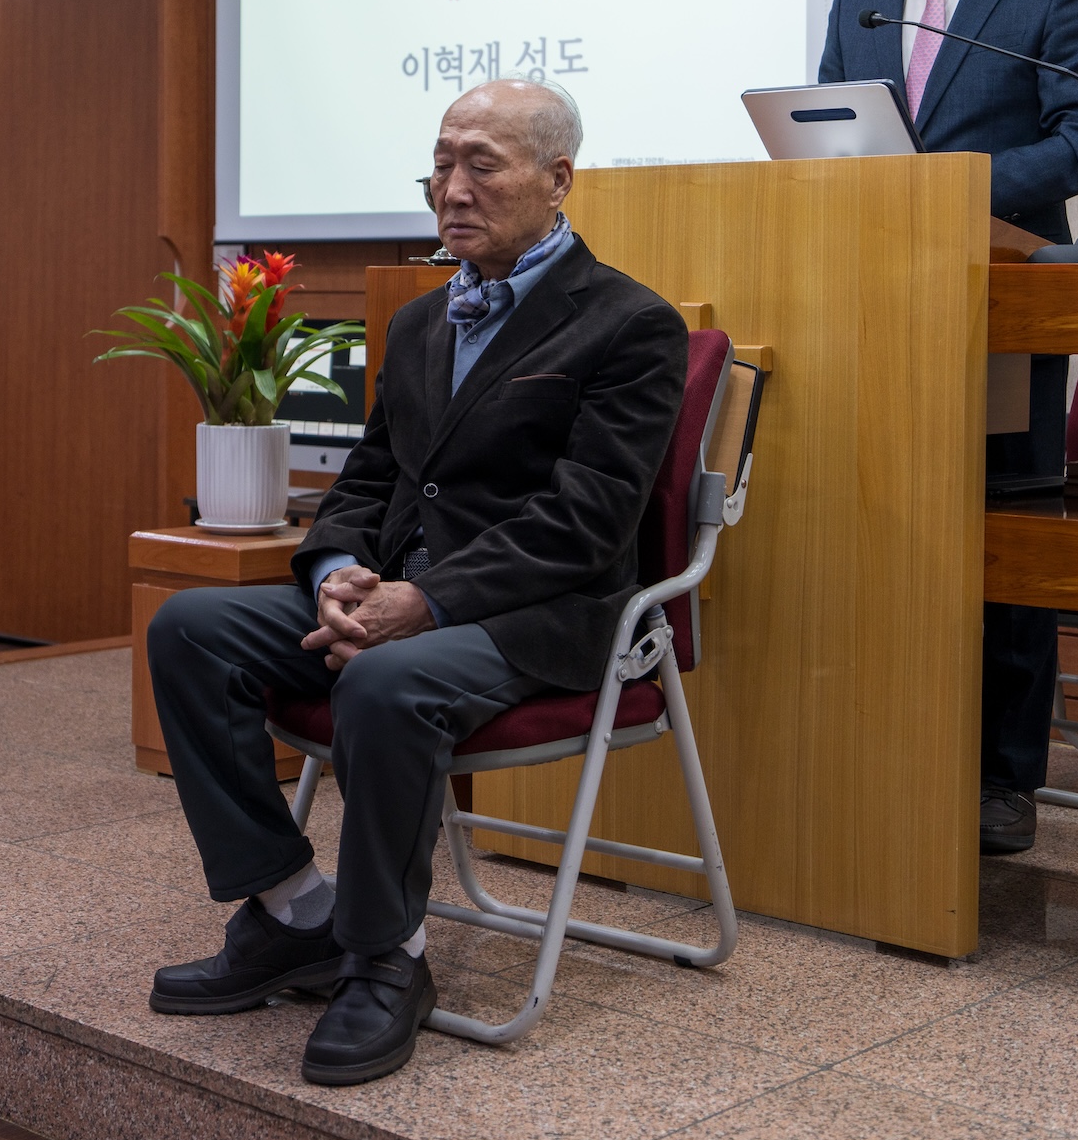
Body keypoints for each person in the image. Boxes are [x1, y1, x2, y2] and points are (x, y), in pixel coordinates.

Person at [145, 78, 686, 1086]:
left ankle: (388, 957)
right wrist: (337, 571)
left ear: (558, 179)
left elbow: (586, 521)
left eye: (483, 164)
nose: (453, 188)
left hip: (536, 615)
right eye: (441, 164)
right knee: (189, 628)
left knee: (384, 681)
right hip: (400, 589)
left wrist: (424, 603)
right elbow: (369, 478)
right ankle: (293, 911)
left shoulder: (629, 323)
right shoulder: (420, 321)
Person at [817, 0, 1078, 855]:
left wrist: (950, 187)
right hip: (878, 306)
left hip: (1004, 304)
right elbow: (829, 143)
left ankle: (1004, 776)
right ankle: (890, 743)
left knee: (1005, 539)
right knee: (883, 529)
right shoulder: (860, 3)